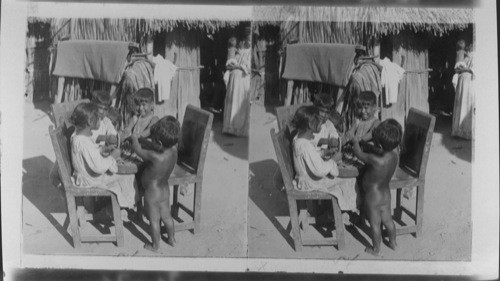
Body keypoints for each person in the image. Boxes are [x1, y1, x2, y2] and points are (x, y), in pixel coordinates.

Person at [70, 102, 138, 221]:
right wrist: (112, 156)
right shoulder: (84, 142)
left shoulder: (79, 137)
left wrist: (103, 149)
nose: (100, 120)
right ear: (90, 122)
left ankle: (119, 206)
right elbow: (99, 167)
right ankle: (115, 209)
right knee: (128, 177)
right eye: (98, 118)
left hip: (86, 176)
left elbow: (90, 154)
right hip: (91, 180)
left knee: (122, 176)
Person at [291, 106, 359, 224]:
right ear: (311, 125)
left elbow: (310, 157)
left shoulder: (299, 140)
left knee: (342, 177)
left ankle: (337, 209)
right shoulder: (305, 146)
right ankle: (339, 213)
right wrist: (333, 159)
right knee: (350, 180)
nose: (322, 123)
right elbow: (320, 170)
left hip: (306, 179)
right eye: (319, 121)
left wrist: (324, 153)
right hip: (312, 182)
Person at [352, 118, 402, 256]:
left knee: (375, 223)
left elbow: (358, 154)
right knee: (388, 220)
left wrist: (356, 142)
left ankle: (376, 249)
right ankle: (393, 243)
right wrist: (365, 143)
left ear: (379, 145)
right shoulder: (393, 155)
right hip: (385, 194)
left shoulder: (375, 159)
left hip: (373, 197)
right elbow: (377, 150)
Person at [130, 116, 180, 252]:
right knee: (167, 217)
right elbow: (155, 146)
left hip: (152, 193)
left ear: (158, 142)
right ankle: (171, 239)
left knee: (154, 219)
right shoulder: (173, 150)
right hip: (164, 189)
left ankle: (155, 246)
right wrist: (145, 141)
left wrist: (135, 139)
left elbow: (138, 150)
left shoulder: (155, 156)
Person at [222, 31, 252, 137]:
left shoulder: (251, 52)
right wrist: (232, 66)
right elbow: (231, 62)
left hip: (243, 81)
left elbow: (248, 68)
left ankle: (239, 129)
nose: (248, 41)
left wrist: (237, 67)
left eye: (250, 39)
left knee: (240, 104)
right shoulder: (240, 50)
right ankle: (230, 128)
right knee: (232, 101)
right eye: (247, 39)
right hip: (234, 80)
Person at [451, 43, 474, 140]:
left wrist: (464, 69)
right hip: (462, 81)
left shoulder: (474, 57)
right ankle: (458, 130)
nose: (468, 50)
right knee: (460, 104)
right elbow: (457, 68)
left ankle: (465, 131)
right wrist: (459, 69)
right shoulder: (465, 58)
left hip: (468, 82)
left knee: (466, 105)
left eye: (469, 48)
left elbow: (473, 69)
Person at [312, 93, 342, 160]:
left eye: (327, 112)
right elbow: (314, 141)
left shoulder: (328, 124)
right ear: (314, 109)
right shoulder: (310, 124)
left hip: (323, 156)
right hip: (313, 157)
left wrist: (334, 139)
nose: (324, 115)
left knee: (339, 156)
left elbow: (333, 133)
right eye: (321, 111)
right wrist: (327, 141)